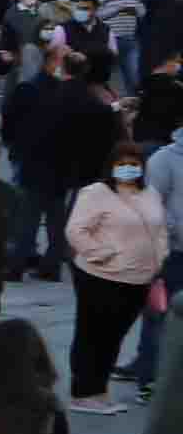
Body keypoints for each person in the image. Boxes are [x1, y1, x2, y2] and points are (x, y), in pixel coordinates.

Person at [66, 140, 167, 410]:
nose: (127, 169)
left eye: (133, 164)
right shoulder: (95, 192)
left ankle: (98, 390)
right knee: (93, 334)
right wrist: (103, 253)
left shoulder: (149, 193)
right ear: (111, 166)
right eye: (121, 164)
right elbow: (76, 230)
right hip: (101, 276)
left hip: (139, 279)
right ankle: (83, 391)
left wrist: (160, 258)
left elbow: (159, 229)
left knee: (114, 337)